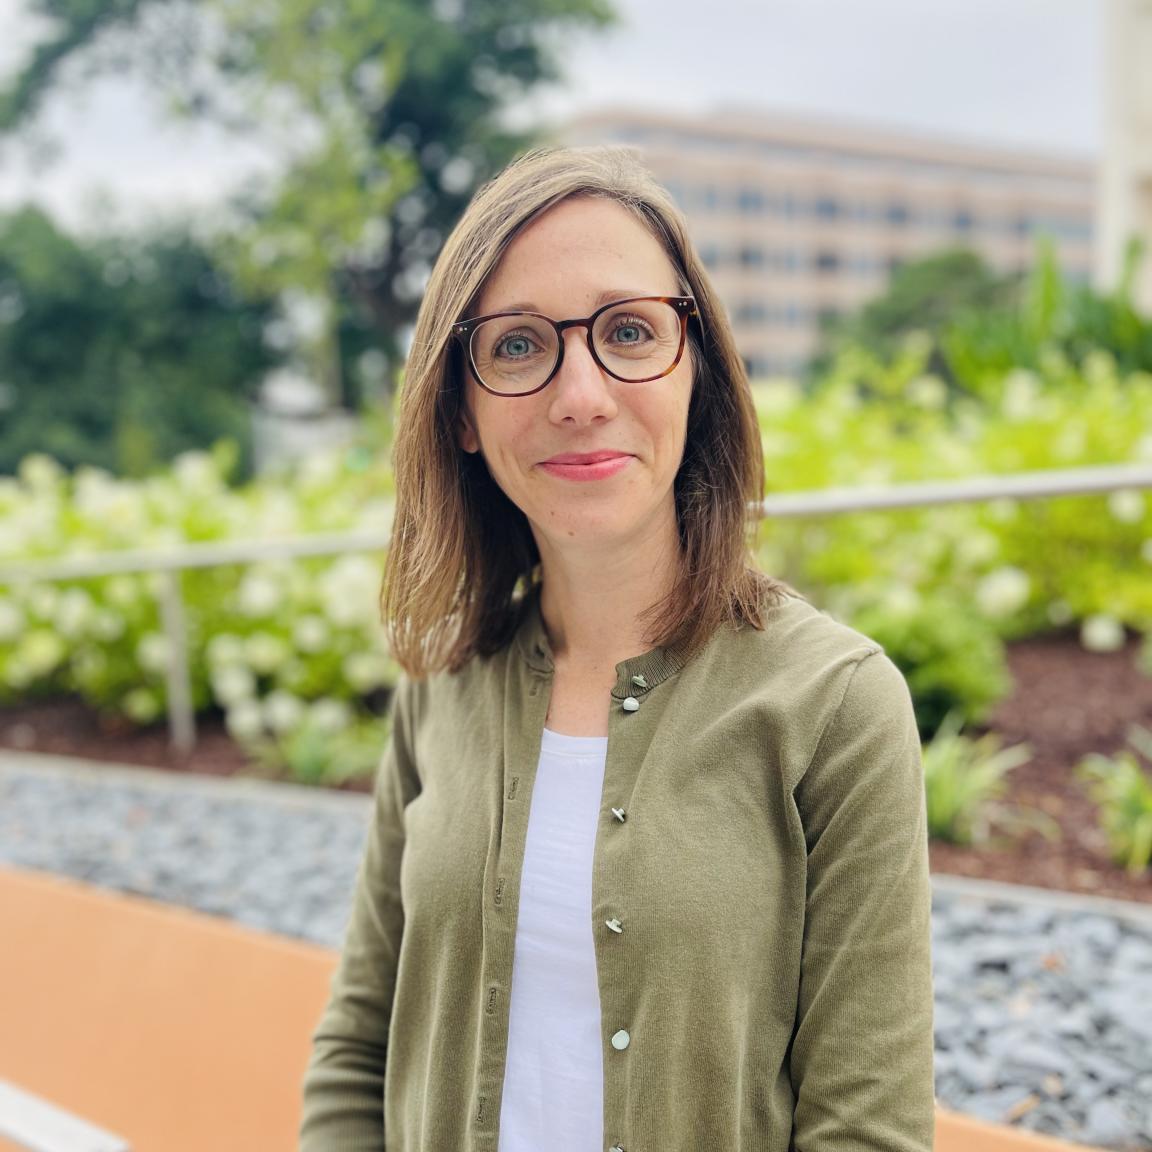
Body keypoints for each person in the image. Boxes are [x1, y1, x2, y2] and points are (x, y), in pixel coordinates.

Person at [299, 146, 935, 1152]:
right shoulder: (441, 690)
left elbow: (868, 1128)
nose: (582, 395)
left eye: (629, 331)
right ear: (460, 411)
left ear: (698, 373)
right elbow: (357, 1048)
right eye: (517, 346)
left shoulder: (836, 705)